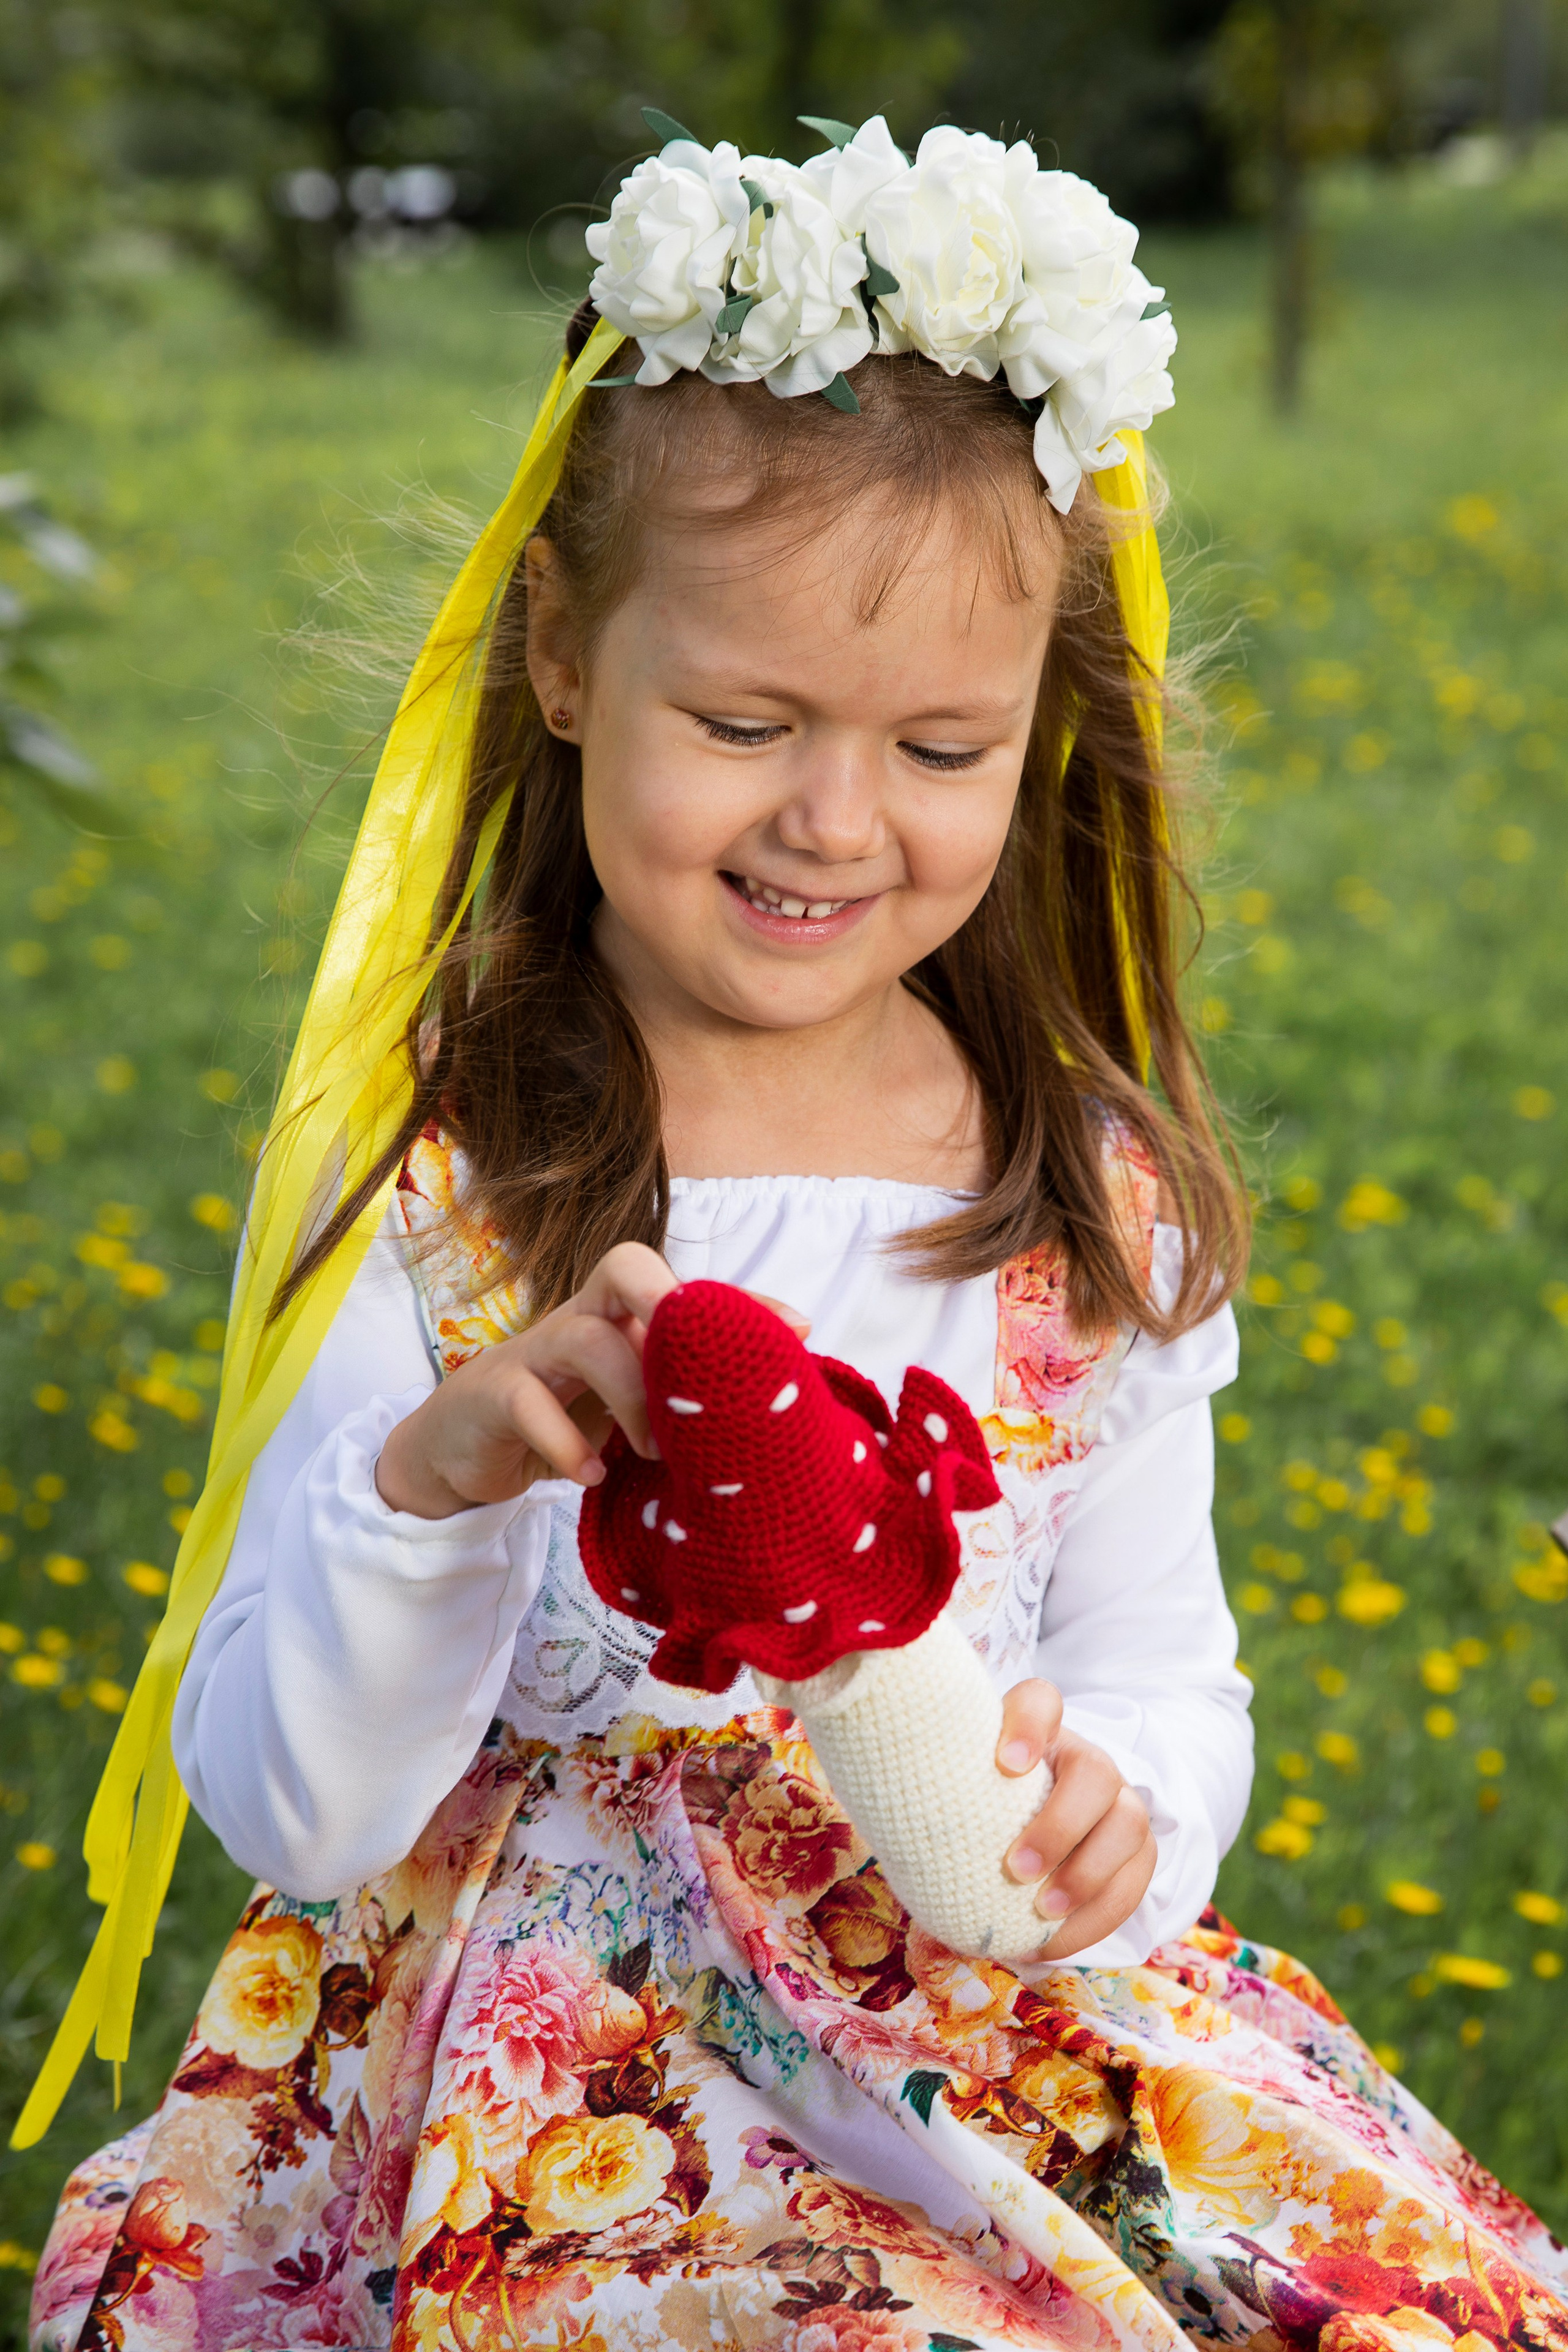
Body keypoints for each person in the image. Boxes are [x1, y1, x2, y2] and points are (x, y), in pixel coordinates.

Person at [26, 113, 1568, 2352]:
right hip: (560, 2106)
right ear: (564, 654)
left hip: (992, 2053)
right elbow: (307, 1809)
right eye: (743, 721)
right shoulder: (453, 1192)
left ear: (1044, 731)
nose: (837, 819)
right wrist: (437, 1485)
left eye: (943, 746)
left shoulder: (1079, 1196)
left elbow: (1168, 1664)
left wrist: (1122, 1813)